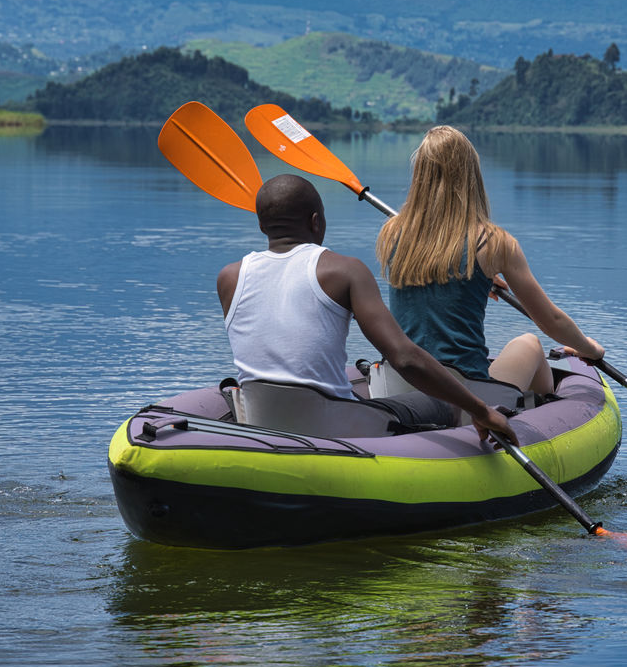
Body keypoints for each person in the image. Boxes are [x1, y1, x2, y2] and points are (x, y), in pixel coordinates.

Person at [218, 174, 513, 442]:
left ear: (261, 225)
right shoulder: (344, 271)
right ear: (316, 221)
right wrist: (481, 410)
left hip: (262, 425)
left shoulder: (229, 279)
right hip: (335, 429)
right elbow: (404, 357)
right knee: (443, 401)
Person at [376, 126, 606, 397]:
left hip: (397, 385)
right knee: (530, 343)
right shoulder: (495, 243)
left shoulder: (391, 233)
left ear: (420, 175)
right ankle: (535, 419)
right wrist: (590, 349)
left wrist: (477, 279)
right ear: (471, 176)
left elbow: (431, 280)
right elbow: (550, 320)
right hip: (464, 393)